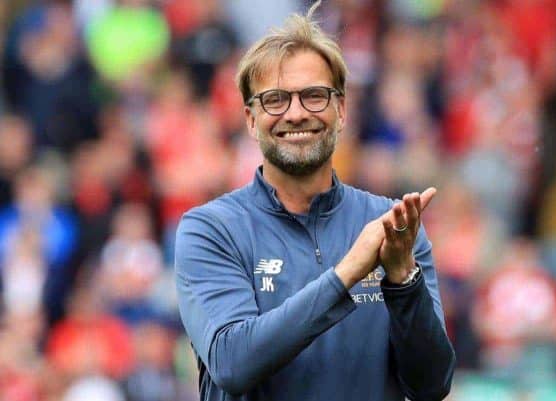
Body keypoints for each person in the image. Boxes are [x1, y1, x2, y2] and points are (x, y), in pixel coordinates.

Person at [175, 2, 456, 400]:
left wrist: (402, 281)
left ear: (341, 110)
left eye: (314, 96)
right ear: (251, 119)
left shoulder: (392, 224)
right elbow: (232, 364)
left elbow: (432, 386)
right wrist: (346, 274)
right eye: (275, 99)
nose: (295, 113)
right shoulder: (212, 229)